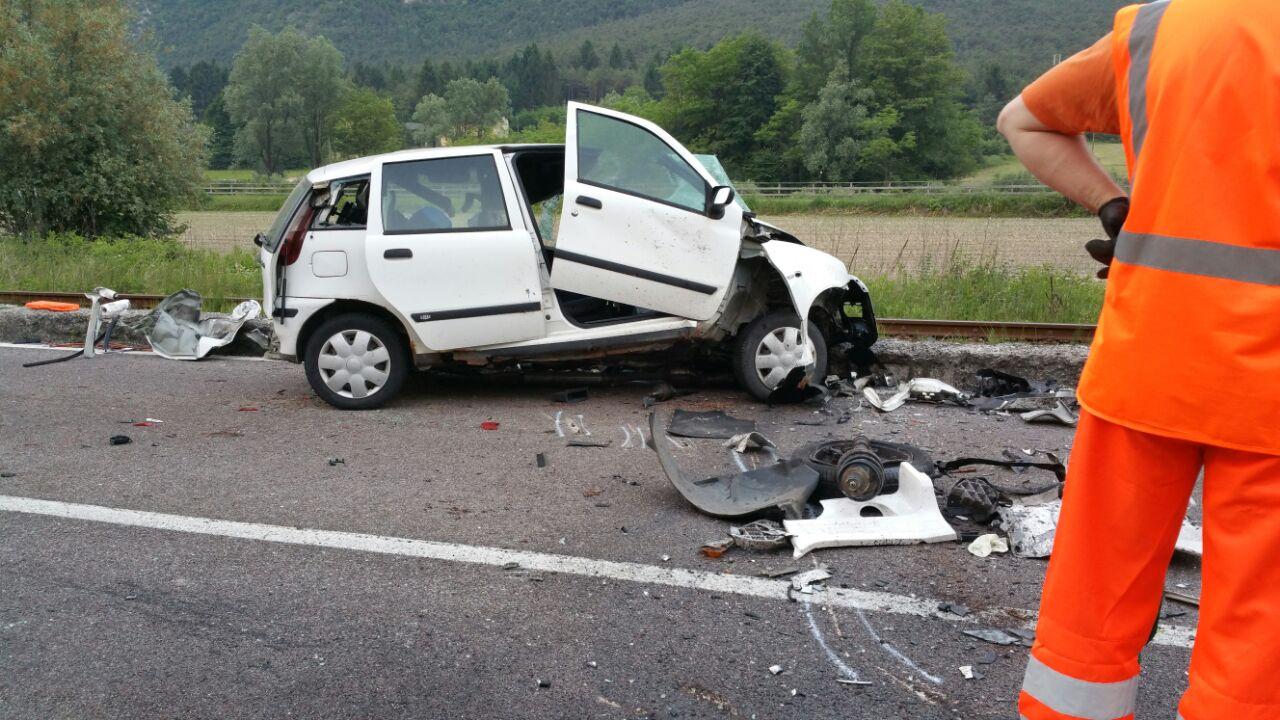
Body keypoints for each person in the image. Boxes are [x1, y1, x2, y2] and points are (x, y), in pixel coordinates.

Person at [996, 1, 1280, 718]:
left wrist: (1115, 206)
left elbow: (1021, 122)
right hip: (1268, 396)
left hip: (1146, 363)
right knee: (1257, 637)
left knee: (1092, 606)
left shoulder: (1156, 28)